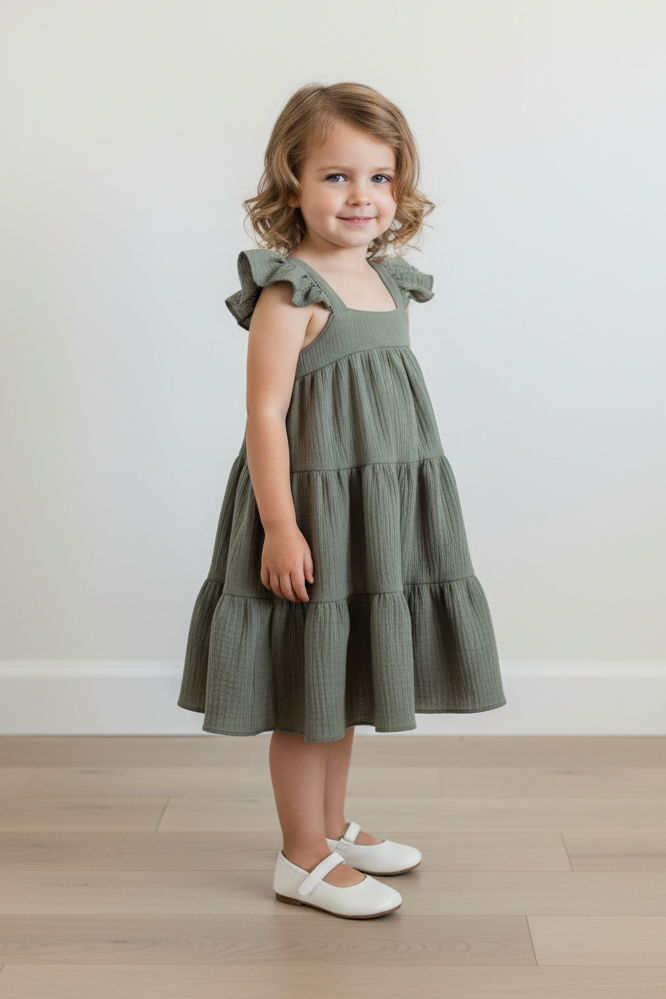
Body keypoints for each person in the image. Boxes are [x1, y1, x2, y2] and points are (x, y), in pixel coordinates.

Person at [178, 81, 507, 919]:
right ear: (292, 181)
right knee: (307, 686)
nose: (362, 196)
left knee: (343, 675)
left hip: (375, 512)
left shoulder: (389, 282)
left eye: (380, 177)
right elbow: (264, 414)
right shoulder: (290, 292)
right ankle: (300, 855)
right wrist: (280, 526)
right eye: (336, 176)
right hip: (311, 512)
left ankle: (329, 826)